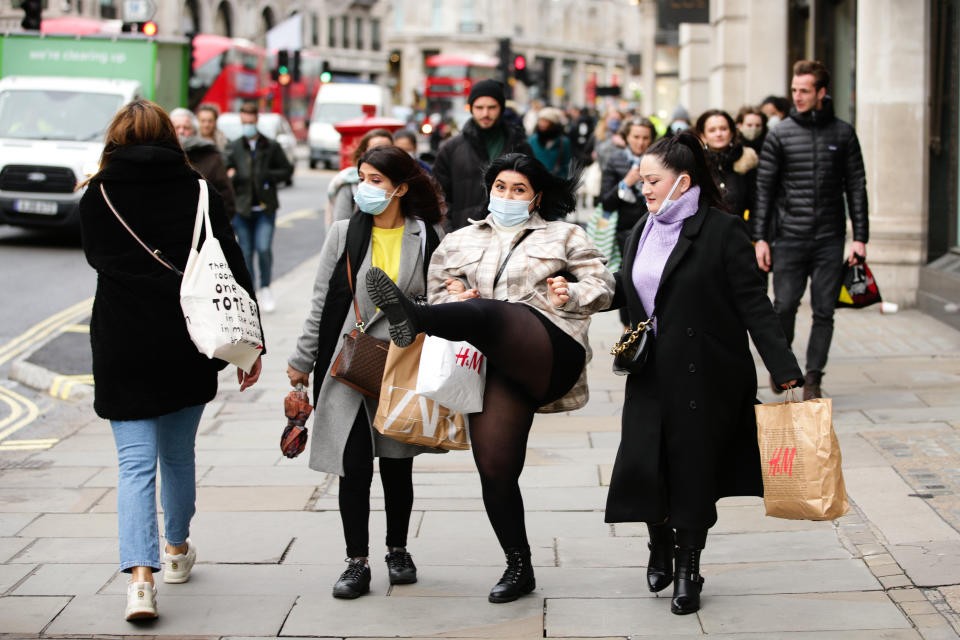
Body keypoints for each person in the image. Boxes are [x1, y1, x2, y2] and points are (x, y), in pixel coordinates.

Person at [364, 152, 615, 603]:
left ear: (536, 196)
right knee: (495, 469)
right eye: (501, 187)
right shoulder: (460, 241)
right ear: (489, 190)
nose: (507, 196)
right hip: (494, 367)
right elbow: (441, 287)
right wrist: (452, 297)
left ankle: (412, 317)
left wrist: (570, 290)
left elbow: (604, 283)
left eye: (518, 190)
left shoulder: (564, 234)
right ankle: (519, 566)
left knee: (494, 314)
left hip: (550, 349)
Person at [78, 100, 263, 621]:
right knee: (177, 456)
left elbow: (98, 258)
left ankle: (141, 580)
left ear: (117, 136)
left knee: (135, 464)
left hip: (123, 342)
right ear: (169, 136)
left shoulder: (99, 192)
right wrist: (252, 344)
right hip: (189, 340)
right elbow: (232, 266)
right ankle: (177, 551)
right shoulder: (196, 188)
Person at [604, 131, 801, 617]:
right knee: (644, 463)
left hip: (706, 375)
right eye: (643, 178)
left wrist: (784, 369)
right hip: (650, 370)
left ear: (683, 181)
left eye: (654, 180)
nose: (644, 188)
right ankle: (659, 545)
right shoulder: (641, 229)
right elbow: (633, 291)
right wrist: (583, 294)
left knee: (693, 472)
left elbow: (755, 304)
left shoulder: (722, 230)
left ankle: (689, 565)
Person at [287, 145, 445, 600]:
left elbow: (437, 298)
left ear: (399, 187)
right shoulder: (343, 233)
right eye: (362, 178)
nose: (365, 188)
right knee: (353, 466)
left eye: (376, 180)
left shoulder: (426, 235)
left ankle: (398, 549)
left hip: (400, 363)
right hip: (349, 363)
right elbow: (321, 303)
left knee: (397, 465)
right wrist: (301, 362)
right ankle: (357, 561)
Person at [753, 60, 868, 400]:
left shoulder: (843, 133)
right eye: (794, 90)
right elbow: (765, 190)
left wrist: (860, 237)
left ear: (821, 92)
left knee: (824, 310)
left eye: (804, 91)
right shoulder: (780, 133)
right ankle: (784, 365)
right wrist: (761, 237)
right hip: (788, 237)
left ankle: (814, 377)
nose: (797, 97)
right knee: (784, 305)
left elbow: (857, 186)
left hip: (830, 238)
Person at [432, 79, 534, 230]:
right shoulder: (451, 148)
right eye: (479, 107)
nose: (485, 113)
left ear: (501, 108)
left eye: (491, 107)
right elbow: (438, 197)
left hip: (510, 232)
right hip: (464, 234)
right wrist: (449, 230)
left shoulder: (520, 145)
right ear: (471, 108)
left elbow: (532, 192)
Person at [224, 102, 294, 314]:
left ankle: (265, 287)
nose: (248, 126)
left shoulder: (270, 146)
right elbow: (225, 169)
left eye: (251, 122)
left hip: (265, 208)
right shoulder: (234, 146)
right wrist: (232, 175)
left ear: (256, 120)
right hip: (242, 209)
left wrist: (268, 177)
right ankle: (251, 292)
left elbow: (286, 170)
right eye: (244, 122)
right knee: (245, 252)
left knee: (263, 249)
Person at [600, 118, 656, 327]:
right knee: (629, 277)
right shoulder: (615, 161)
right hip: (626, 231)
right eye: (636, 137)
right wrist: (626, 183)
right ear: (626, 137)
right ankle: (629, 325)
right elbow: (606, 200)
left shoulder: (659, 161)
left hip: (655, 228)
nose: (640, 142)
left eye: (645, 138)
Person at [170, 107, 236, 219]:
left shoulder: (210, 156)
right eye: (177, 127)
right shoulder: (162, 156)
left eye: (186, 128)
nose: (181, 131)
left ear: (193, 131)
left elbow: (225, 196)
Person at [695, 109, 757, 220]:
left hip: (738, 230)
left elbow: (756, 203)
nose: (719, 134)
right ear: (703, 135)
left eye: (723, 129)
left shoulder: (746, 162)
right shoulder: (695, 164)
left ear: (732, 132)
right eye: (712, 130)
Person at [326, 128, 395, 224]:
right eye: (361, 179)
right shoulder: (348, 184)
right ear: (363, 152)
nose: (382, 154)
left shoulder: (399, 182)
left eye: (387, 149)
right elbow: (341, 224)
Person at [528, 107, 572, 178]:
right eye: (540, 120)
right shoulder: (532, 140)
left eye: (546, 121)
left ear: (552, 124)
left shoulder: (563, 142)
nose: (542, 124)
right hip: (535, 181)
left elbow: (566, 165)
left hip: (556, 182)